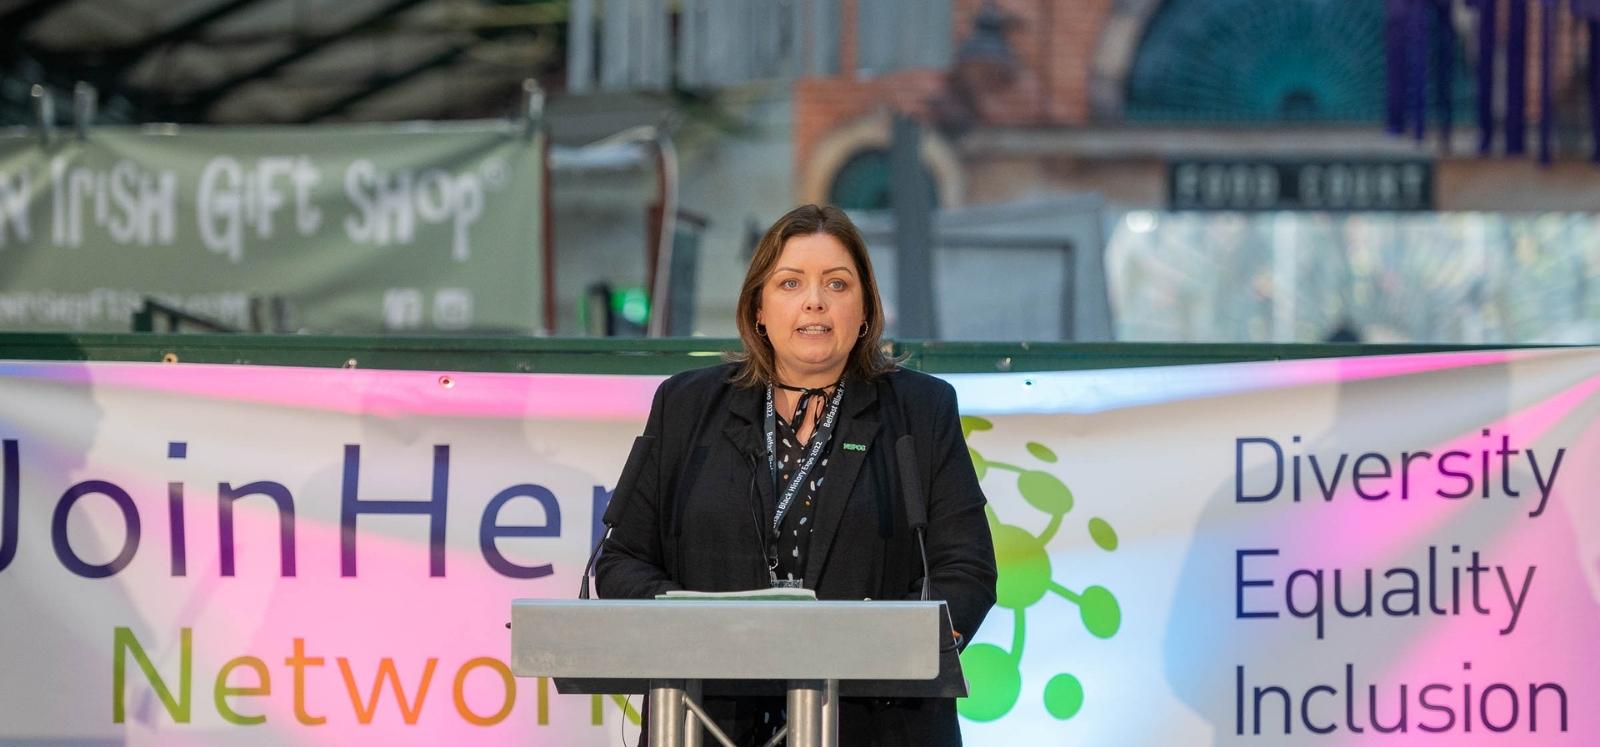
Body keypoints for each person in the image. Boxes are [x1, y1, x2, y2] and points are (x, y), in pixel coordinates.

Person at [597, 204, 997, 745]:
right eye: (790, 283)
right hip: (707, 718)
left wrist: (904, 641)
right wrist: (696, 626)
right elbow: (623, 560)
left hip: (877, 720)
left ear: (864, 310)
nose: (815, 300)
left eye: (837, 283)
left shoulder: (919, 410)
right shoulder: (687, 405)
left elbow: (964, 568)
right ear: (758, 308)